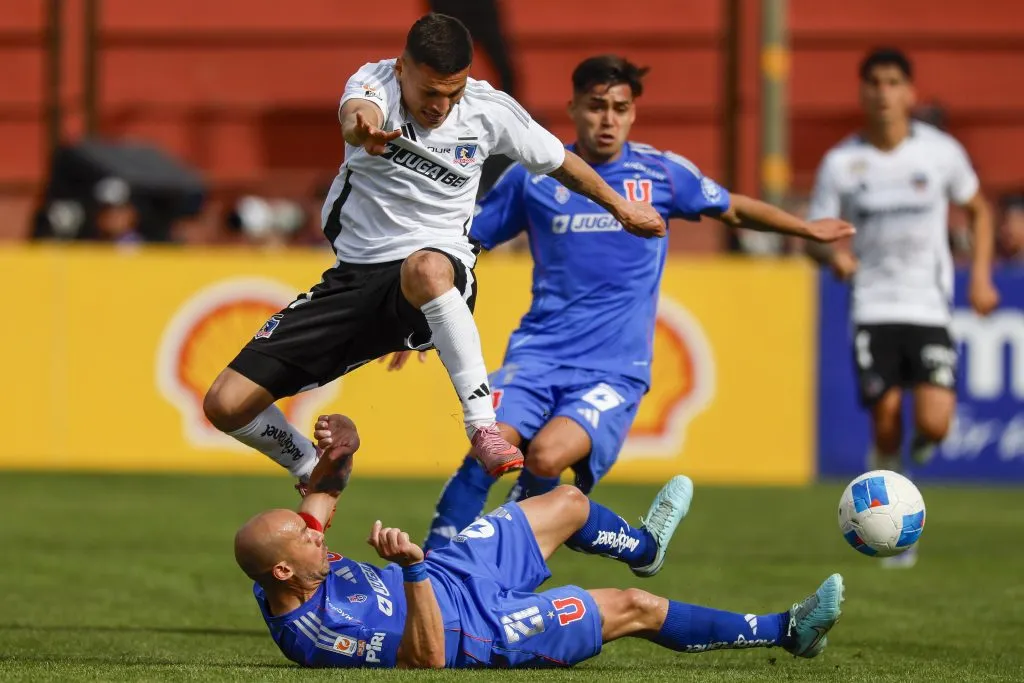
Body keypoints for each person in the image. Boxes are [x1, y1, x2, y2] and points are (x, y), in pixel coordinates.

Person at [375, 55, 853, 552]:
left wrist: (805, 228)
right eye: (596, 106)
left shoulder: (661, 173)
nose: (608, 119)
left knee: (545, 458)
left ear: (633, 113)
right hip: (536, 356)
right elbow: (469, 244)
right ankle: (431, 575)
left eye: (620, 108)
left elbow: (730, 207)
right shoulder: (535, 176)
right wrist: (424, 315)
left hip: (613, 369)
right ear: (574, 108)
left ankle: (502, 567)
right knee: (487, 448)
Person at [201, 15, 668, 489]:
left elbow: (560, 161)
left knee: (425, 267)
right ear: (403, 70)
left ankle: (483, 425)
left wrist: (621, 207)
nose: (442, 106)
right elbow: (355, 113)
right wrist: (362, 130)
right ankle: (313, 467)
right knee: (226, 403)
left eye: (454, 92)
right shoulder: (374, 81)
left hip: (438, 269)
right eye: (430, 93)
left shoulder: (491, 110)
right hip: (353, 280)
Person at [235, 414, 846, 669]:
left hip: (453, 570)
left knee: (567, 502)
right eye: (304, 541)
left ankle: (644, 549)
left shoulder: (291, 565)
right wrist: (412, 569)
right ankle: (788, 631)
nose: (317, 535)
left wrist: (342, 447)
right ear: (284, 574)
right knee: (634, 609)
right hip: (479, 629)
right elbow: (426, 662)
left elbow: (324, 492)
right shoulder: (319, 631)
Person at [807, 48, 1000, 567]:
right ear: (863, 91)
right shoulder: (843, 162)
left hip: (929, 306)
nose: (884, 92)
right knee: (887, 419)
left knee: (935, 423)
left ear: (909, 92)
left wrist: (979, 277)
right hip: (872, 307)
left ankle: (914, 459)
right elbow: (814, 234)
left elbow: (980, 210)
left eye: (893, 82)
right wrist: (834, 254)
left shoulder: (940, 153)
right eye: (874, 82)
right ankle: (895, 528)